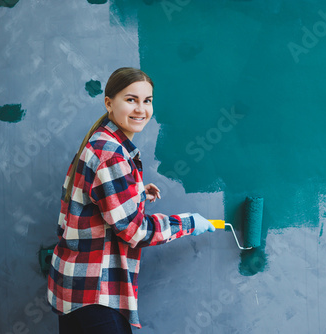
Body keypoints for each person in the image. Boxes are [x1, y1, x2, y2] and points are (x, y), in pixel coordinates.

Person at [47, 67, 215, 333]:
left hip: (74, 287)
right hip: (95, 293)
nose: (141, 109)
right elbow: (136, 231)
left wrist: (133, 190)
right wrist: (190, 222)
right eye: (131, 99)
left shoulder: (100, 141)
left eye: (147, 100)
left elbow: (93, 200)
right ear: (109, 103)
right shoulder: (112, 154)